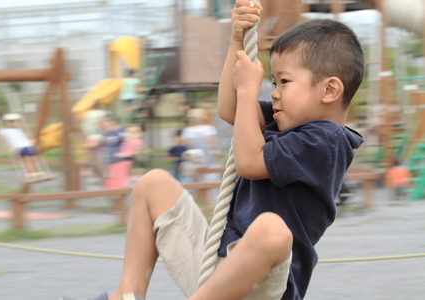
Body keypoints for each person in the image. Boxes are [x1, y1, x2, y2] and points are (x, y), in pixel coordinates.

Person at [60, 1, 365, 299]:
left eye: (284, 81)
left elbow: (248, 162)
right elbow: (229, 108)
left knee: (272, 230)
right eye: (273, 81)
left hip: (266, 282)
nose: (274, 92)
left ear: (329, 90)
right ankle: (126, 295)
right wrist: (237, 40)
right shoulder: (282, 120)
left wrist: (248, 89)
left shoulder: (328, 141)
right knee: (153, 184)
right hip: (219, 272)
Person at [0, 113, 50, 183]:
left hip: (27, 145)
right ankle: (31, 173)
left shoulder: (18, 130)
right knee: (27, 160)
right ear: (7, 123)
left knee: (34, 158)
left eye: (15, 121)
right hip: (21, 147)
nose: (14, 123)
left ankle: (36, 172)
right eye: (11, 122)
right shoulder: (5, 131)